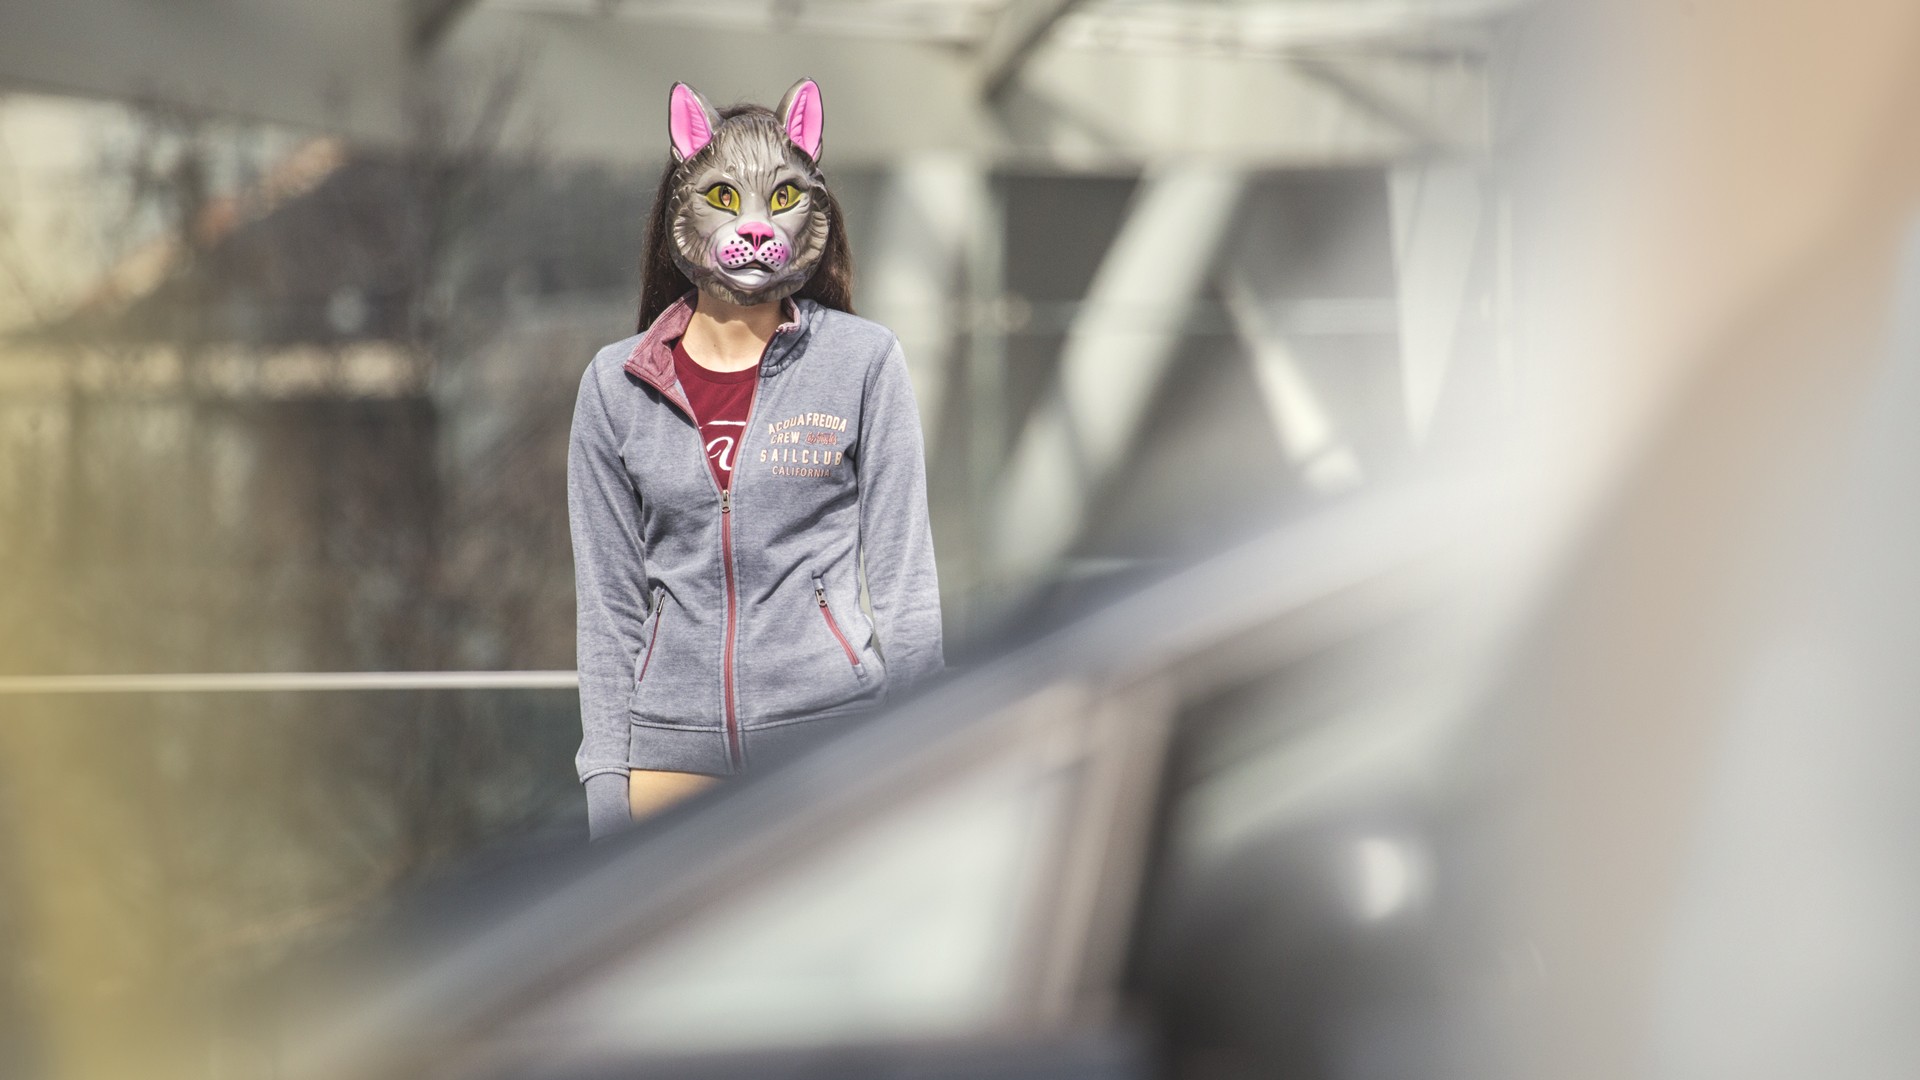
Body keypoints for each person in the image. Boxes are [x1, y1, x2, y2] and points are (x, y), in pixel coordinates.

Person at [567, 78, 943, 840]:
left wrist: (928, 767)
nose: (753, 226)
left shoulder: (864, 363)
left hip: (833, 746)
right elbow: (608, 615)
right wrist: (608, 794)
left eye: (779, 199)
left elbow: (905, 588)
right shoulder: (615, 386)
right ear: (684, 207)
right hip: (671, 763)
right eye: (723, 197)